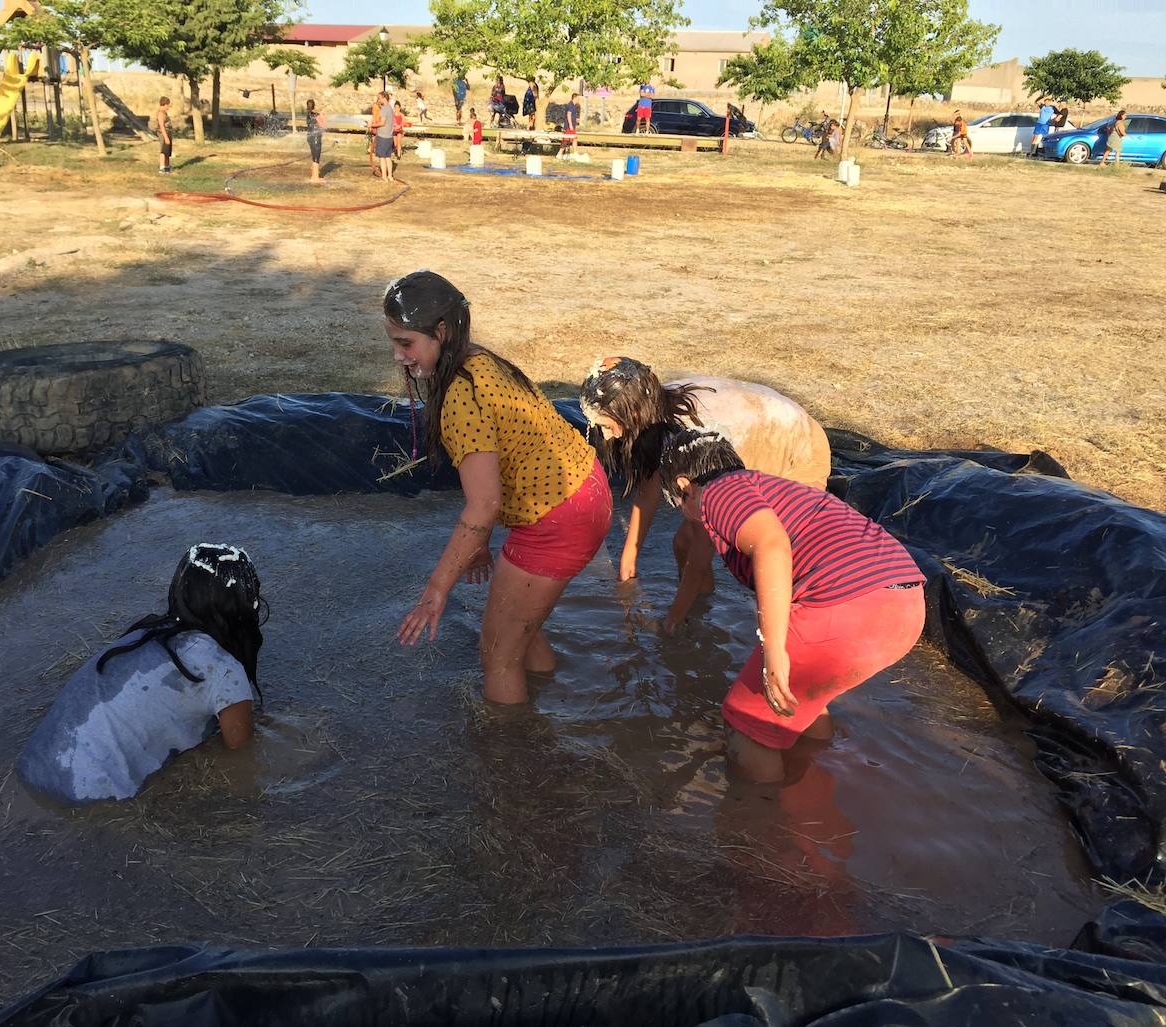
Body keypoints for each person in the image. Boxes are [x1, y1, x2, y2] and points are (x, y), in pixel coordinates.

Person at [387, 271, 612, 705]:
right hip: (585, 489)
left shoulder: (460, 396)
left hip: (558, 516)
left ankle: (509, 755)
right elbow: (499, 473)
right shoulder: (479, 361)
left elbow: (484, 504)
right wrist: (478, 546)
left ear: (441, 332)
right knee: (518, 632)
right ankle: (551, 698)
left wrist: (436, 591)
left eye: (405, 343)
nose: (398, 356)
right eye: (393, 342)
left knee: (497, 656)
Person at [658, 430, 924, 783]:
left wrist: (774, 650)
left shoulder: (717, 492)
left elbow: (772, 546)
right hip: (901, 601)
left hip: (847, 604)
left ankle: (763, 825)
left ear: (684, 484)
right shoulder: (755, 489)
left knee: (746, 724)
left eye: (677, 503)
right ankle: (809, 787)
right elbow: (698, 563)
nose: (684, 514)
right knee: (798, 700)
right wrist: (673, 619)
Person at [579, 357, 830, 627]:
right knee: (681, 544)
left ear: (633, 414)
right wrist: (629, 564)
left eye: (606, 426)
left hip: (795, 448)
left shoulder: (693, 434)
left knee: (777, 553)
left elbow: (702, 544)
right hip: (760, 432)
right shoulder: (651, 409)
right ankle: (702, 612)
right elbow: (649, 487)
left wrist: (672, 618)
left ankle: (789, 630)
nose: (606, 436)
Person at [16, 544, 266, 804]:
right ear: (244, 608)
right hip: (88, 796)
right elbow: (240, 754)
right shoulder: (224, 670)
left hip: (35, 766)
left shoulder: (143, 633)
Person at [372, 90, 396, 182]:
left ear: (384, 98)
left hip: (383, 137)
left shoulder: (384, 109)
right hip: (389, 137)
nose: (378, 100)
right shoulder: (390, 108)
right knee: (388, 157)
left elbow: (382, 123)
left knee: (382, 157)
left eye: (379, 98)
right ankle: (390, 176)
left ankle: (384, 177)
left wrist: (372, 125)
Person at [304, 98, 325, 183]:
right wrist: (322, 115)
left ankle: (314, 175)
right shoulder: (315, 115)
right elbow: (323, 125)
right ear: (314, 106)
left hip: (310, 137)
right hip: (316, 137)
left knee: (314, 156)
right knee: (316, 157)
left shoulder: (309, 115)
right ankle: (315, 178)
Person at [153, 96, 173, 174]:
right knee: (163, 151)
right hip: (163, 133)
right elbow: (161, 126)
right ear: (164, 104)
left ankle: (167, 166)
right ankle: (162, 168)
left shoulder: (164, 112)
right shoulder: (161, 113)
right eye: (168, 105)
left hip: (167, 132)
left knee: (167, 151)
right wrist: (166, 137)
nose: (168, 107)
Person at [561, 93, 580, 157]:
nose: (578, 99)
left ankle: (575, 152)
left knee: (574, 139)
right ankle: (560, 153)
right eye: (578, 98)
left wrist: (576, 120)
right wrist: (570, 125)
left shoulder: (574, 105)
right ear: (575, 98)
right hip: (569, 126)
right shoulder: (571, 105)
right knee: (566, 140)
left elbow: (571, 115)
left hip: (571, 126)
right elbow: (568, 115)